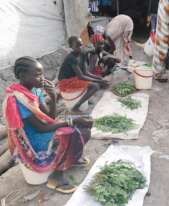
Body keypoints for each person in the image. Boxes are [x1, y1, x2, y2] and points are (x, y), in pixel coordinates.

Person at [3, 57, 93, 194]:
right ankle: (55, 178)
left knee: (85, 128)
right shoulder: (18, 100)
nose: (42, 78)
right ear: (22, 76)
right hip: (32, 140)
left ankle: (71, 158)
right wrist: (73, 121)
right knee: (71, 132)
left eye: (42, 74)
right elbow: (41, 128)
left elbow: (50, 118)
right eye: (38, 75)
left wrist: (53, 96)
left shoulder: (34, 91)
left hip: (42, 129)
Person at [58, 36, 108, 113]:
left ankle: (84, 100)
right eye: (77, 46)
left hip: (74, 77)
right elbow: (81, 76)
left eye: (81, 45)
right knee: (95, 86)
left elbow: (86, 72)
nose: (80, 47)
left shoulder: (83, 53)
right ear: (71, 47)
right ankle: (75, 107)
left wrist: (99, 79)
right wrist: (99, 81)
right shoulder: (71, 58)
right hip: (65, 81)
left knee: (98, 80)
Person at [152, 0, 169, 82]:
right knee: (159, 51)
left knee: (164, 52)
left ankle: (161, 74)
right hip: (161, 30)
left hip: (167, 30)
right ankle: (158, 73)